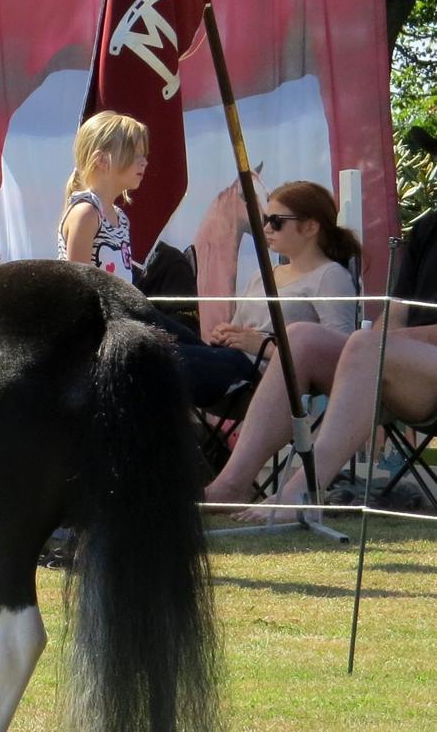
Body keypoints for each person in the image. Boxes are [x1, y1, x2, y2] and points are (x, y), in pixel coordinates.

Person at [208, 209, 437, 520]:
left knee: (368, 344)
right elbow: (396, 312)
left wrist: (383, 347)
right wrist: (386, 349)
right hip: (410, 369)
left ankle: (302, 491)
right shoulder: (428, 226)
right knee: (302, 338)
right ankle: (231, 484)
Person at [174, 181, 361, 407]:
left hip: (258, 376)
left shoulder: (330, 277)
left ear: (311, 227)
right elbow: (239, 329)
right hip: (230, 362)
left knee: (159, 359)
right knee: (154, 326)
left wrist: (265, 348)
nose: (266, 229)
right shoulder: (263, 275)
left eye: (277, 222)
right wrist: (226, 334)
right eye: (265, 220)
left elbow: (338, 355)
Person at [57, 110, 148, 283]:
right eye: (134, 153)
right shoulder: (86, 213)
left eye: (143, 155)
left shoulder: (121, 218)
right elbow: (77, 286)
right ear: (102, 160)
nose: (144, 161)